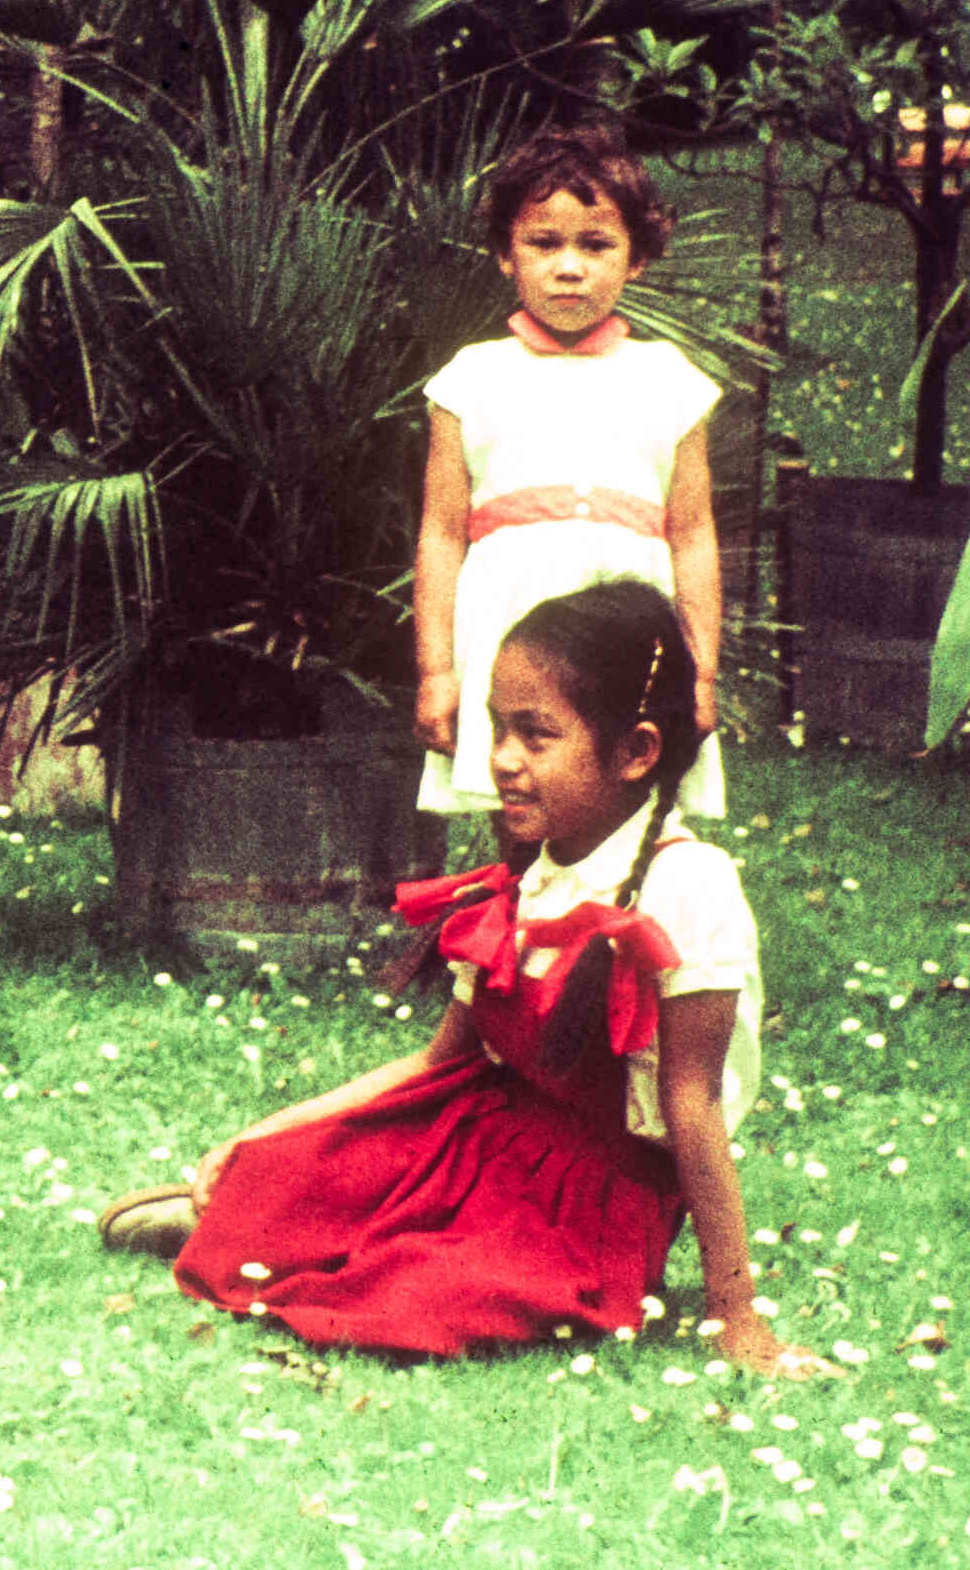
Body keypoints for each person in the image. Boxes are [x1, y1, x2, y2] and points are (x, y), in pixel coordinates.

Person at [99, 582, 832, 1377]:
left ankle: (303, 1233)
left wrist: (737, 1317)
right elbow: (437, 1063)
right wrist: (265, 1134)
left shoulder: (686, 887)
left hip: (586, 1207)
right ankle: (250, 1210)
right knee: (294, 1173)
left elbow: (693, 1110)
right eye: (496, 727)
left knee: (421, 1297)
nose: (503, 760)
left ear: (636, 751)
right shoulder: (527, 876)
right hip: (481, 1137)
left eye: (536, 735)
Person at [416, 125, 726, 827]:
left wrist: (701, 670)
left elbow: (693, 535)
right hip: (511, 624)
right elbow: (440, 534)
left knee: (629, 806)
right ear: (504, 253)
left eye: (595, 244)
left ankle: (617, 932)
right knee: (524, 803)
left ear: (635, 258)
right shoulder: (471, 378)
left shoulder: (668, 380)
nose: (568, 267)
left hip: (629, 629)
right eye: (543, 242)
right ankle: (523, 930)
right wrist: (438, 671)